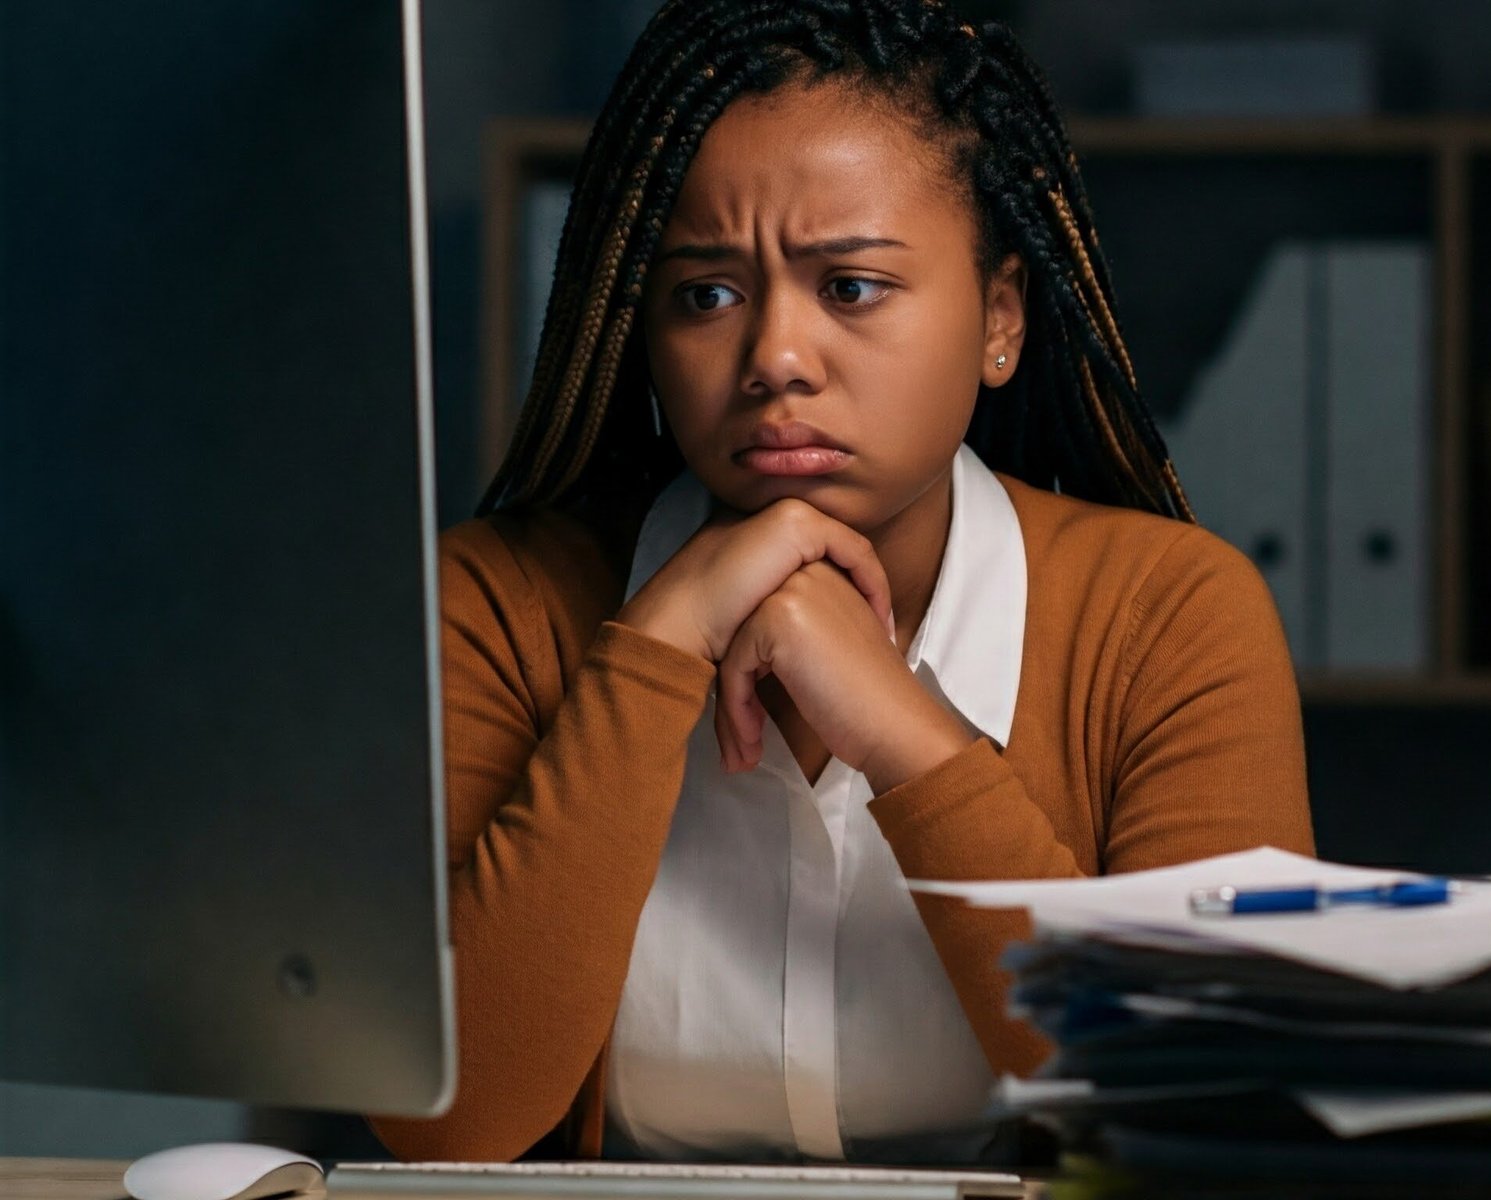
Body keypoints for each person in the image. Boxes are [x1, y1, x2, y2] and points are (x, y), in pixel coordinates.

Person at [369, 0, 1314, 1167]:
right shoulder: (498, 606)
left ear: (999, 320)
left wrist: (905, 737)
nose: (773, 357)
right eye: (705, 293)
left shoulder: (1169, 615)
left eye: (851, 286)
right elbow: (448, 1126)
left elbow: (1212, 1122)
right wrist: (657, 643)